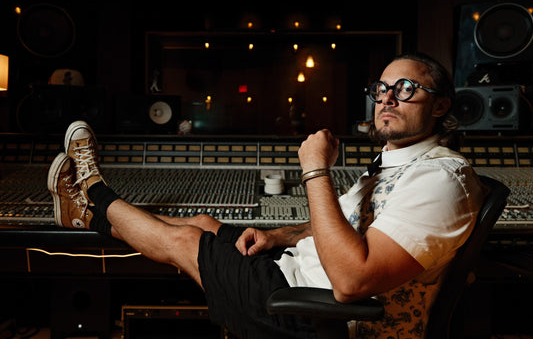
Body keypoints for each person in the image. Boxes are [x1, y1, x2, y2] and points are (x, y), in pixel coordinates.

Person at [47, 52, 487, 339]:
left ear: (441, 105)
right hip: (295, 272)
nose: (388, 99)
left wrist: (315, 170)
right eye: (382, 89)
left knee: (186, 240)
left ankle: (92, 192)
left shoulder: (441, 181)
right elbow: (346, 228)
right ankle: (82, 214)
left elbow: (353, 281)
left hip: (313, 314)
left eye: (406, 89)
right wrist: (279, 236)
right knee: (203, 224)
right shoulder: (397, 162)